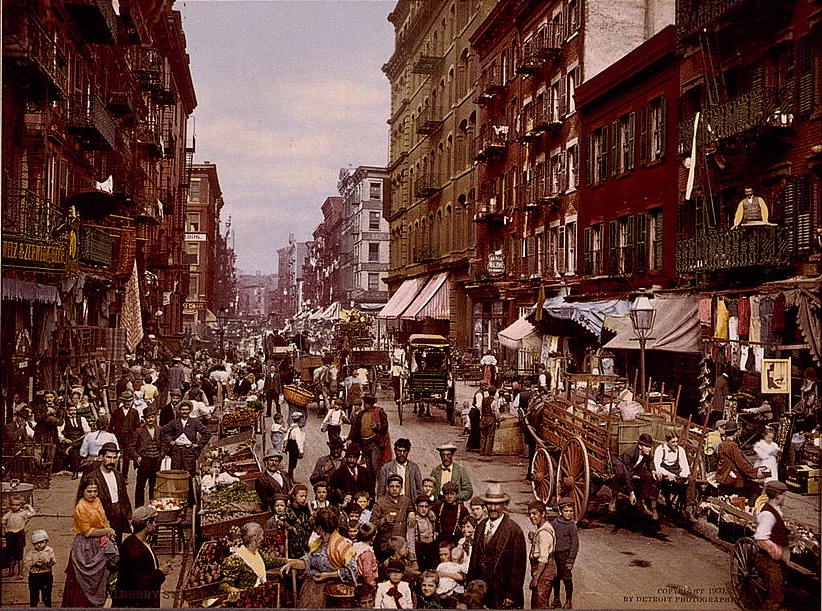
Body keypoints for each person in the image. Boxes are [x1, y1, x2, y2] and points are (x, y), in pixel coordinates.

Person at [280, 507, 359, 608]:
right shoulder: (319, 543)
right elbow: (308, 561)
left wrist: (328, 575)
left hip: (335, 593)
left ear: (321, 527)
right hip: (313, 589)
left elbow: (353, 571)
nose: (315, 530)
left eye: (316, 527)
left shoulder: (341, 545)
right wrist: (292, 564)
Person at [466, 483, 527, 609]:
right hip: (480, 590)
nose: (493, 508)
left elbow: (518, 568)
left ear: (504, 505)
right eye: (489, 504)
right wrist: (470, 585)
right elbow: (474, 559)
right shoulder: (481, 526)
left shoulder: (514, 530)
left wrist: (511, 595)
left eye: (497, 504)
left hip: (502, 591)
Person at [62, 480, 119, 607]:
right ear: (82, 491)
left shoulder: (97, 501)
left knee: (101, 576)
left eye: (95, 491)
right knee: (83, 580)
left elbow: (104, 520)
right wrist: (107, 531)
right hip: (85, 546)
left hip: (100, 541)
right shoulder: (80, 507)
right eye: (89, 491)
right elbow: (87, 532)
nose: (93, 494)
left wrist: (108, 533)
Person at [112, 506, 171, 608]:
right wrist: (160, 572)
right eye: (153, 522)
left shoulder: (135, 541)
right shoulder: (135, 550)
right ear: (147, 524)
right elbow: (139, 584)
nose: (155, 525)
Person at [77, 442, 132, 543]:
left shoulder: (118, 476)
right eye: (109, 457)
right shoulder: (92, 477)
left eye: (114, 458)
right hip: (100, 517)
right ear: (101, 457)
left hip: (117, 516)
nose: (112, 461)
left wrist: (128, 515)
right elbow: (81, 500)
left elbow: (124, 497)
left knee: (116, 546)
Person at [220, 522, 288, 602]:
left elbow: (272, 561)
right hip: (247, 601)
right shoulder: (236, 559)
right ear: (255, 537)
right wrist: (233, 590)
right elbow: (223, 585)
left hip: (261, 596)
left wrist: (292, 561)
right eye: (261, 536)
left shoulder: (258, 553)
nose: (263, 538)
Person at [162, 400, 211, 503]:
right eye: (182, 410)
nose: (184, 412)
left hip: (189, 453)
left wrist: (198, 445)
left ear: (190, 411)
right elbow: (163, 431)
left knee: (189, 475)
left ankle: (190, 500)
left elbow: (207, 433)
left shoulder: (195, 422)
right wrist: (170, 441)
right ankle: (177, 499)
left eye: (186, 410)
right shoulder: (174, 422)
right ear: (179, 411)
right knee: (176, 475)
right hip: (176, 453)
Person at [753, 480, 790, 611]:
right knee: (775, 597)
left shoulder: (776, 510)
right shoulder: (768, 515)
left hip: (775, 560)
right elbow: (760, 538)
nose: (785, 497)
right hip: (768, 562)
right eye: (784, 494)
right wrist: (776, 549)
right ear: (777, 495)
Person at [612, 433, 660, 519]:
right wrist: (631, 492)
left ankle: (642, 500)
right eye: (647, 446)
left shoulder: (647, 454)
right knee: (620, 475)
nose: (650, 449)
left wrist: (653, 470)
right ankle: (613, 498)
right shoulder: (629, 454)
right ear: (640, 446)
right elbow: (627, 473)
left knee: (648, 476)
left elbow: (651, 461)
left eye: (650, 447)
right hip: (622, 465)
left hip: (634, 468)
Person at [716, 420, 764, 502]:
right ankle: (749, 508)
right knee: (756, 488)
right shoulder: (732, 445)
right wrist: (755, 473)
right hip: (730, 478)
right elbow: (741, 464)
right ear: (735, 433)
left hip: (723, 475)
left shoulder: (723, 444)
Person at [371, 474, 412, 561]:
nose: (394, 489)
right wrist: (384, 520)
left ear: (401, 488)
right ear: (387, 488)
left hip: (401, 544)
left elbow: (411, 508)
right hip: (386, 545)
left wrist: (411, 512)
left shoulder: (405, 500)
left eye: (397, 486)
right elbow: (372, 524)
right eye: (391, 486)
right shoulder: (380, 503)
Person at [348, 394, 390, 478]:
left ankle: (379, 484)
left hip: (375, 443)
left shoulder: (379, 412)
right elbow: (356, 429)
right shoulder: (361, 414)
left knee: (375, 466)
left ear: (372, 404)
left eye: (367, 403)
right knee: (369, 467)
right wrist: (352, 440)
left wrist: (377, 427)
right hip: (364, 444)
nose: (365, 405)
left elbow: (385, 427)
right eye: (365, 403)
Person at [134, 405, 167, 507]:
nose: (150, 420)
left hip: (156, 460)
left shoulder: (160, 430)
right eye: (148, 418)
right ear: (144, 419)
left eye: (152, 417)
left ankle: (153, 507)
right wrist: (137, 457)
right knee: (140, 486)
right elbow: (131, 447)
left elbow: (164, 444)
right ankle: (139, 508)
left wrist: (161, 455)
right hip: (144, 460)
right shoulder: (139, 431)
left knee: (154, 485)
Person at [653, 430, 692, 514]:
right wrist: (668, 474)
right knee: (659, 481)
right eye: (673, 442)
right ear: (667, 442)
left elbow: (685, 466)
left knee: (691, 480)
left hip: (677, 474)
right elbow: (657, 466)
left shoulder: (680, 450)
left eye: (677, 441)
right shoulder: (660, 449)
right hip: (665, 474)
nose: (676, 444)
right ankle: (654, 507)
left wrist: (683, 476)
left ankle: (689, 508)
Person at [527, 500, 556, 609]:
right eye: (530, 513)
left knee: (539, 603)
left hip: (543, 571)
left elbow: (543, 559)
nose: (531, 516)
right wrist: (534, 538)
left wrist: (535, 579)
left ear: (543, 514)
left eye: (534, 513)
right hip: (545, 570)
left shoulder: (544, 533)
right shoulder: (544, 528)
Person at [551, 497, 579, 609]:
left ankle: (568, 601)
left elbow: (575, 544)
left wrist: (571, 559)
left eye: (571, 511)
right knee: (555, 578)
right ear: (560, 511)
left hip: (565, 555)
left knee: (567, 578)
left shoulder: (572, 525)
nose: (569, 513)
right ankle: (556, 599)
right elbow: (549, 534)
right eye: (566, 511)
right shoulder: (555, 523)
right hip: (555, 555)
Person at [108, 390, 141, 480]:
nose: (128, 403)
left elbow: (138, 427)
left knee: (126, 458)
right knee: (117, 457)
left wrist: (136, 438)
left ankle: (124, 477)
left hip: (129, 438)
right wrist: (109, 436)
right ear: (123, 402)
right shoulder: (116, 412)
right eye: (126, 401)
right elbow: (111, 425)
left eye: (129, 401)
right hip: (118, 437)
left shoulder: (135, 412)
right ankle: (117, 475)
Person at [378, 437, 423, 502]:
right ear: (395, 450)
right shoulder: (386, 468)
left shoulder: (414, 468)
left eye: (404, 451)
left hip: (409, 504)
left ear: (408, 451)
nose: (402, 454)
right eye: (399, 451)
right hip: (391, 504)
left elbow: (419, 489)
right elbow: (381, 491)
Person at [3, 495, 36, 577]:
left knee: (19, 554)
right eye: (12, 505)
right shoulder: (9, 514)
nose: (14, 507)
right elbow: (3, 520)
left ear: (21, 506)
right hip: (10, 534)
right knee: (10, 554)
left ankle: (20, 573)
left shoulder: (23, 513)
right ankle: (11, 571)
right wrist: (5, 527)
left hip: (19, 535)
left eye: (17, 505)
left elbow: (32, 513)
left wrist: (28, 506)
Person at [407, 494, 440, 572]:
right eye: (421, 506)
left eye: (426, 506)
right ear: (416, 507)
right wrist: (413, 560)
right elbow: (410, 540)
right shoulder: (414, 520)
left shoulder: (431, 518)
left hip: (431, 551)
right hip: (420, 552)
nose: (424, 509)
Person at [58, 404, 91, 477]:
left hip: (80, 441)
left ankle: (76, 470)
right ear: (67, 411)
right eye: (71, 410)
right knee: (74, 451)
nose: (73, 412)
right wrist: (64, 439)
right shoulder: (64, 421)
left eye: (74, 410)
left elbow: (87, 432)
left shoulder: (82, 419)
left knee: (78, 446)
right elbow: (59, 433)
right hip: (69, 442)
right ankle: (75, 471)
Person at [432, 481, 469, 546]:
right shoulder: (438, 506)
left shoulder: (463, 510)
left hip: (455, 542)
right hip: (440, 541)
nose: (449, 496)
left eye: (452, 494)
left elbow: (467, 526)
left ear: (456, 494)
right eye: (447, 494)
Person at [25, 529, 55, 608]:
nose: (39, 545)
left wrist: (49, 561)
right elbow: (26, 564)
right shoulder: (31, 552)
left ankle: (47, 606)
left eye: (41, 542)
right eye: (36, 543)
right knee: (34, 596)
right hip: (34, 576)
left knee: (47, 595)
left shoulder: (49, 550)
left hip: (46, 575)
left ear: (46, 541)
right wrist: (34, 563)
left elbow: (53, 561)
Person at [353, 522, 379, 608]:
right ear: (373, 537)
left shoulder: (357, 546)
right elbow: (367, 572)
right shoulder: (367, 552)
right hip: (365, 583)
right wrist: (372, 585)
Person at [287, 483, 313, 559]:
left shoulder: (306, 509)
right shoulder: (288, 510)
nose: (304, 498)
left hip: (305, 545)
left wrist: (310, 510)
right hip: (292, 546)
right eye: (301, 496)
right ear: (294, 496)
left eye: (305, 496)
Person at [285, 412, 306, 480]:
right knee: (293, 462)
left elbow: (286, 437)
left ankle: (290, 476)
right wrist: (301, 451)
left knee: (291, 461)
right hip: (294, 446)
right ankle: (291, 478)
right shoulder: (297, 429)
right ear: (299, 420)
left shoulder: (291, 427)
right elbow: (299, 441)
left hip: (290, 445)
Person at [480, 387, 501, 456]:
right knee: (490, 436)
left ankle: (482, 451)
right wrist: (499, 419)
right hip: (490, 419)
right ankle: (487, 451)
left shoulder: (484, 399)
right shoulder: (494, 402)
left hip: (483, 418)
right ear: (495, 393)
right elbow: (496, 412)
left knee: (483, 435)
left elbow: (481, 409)